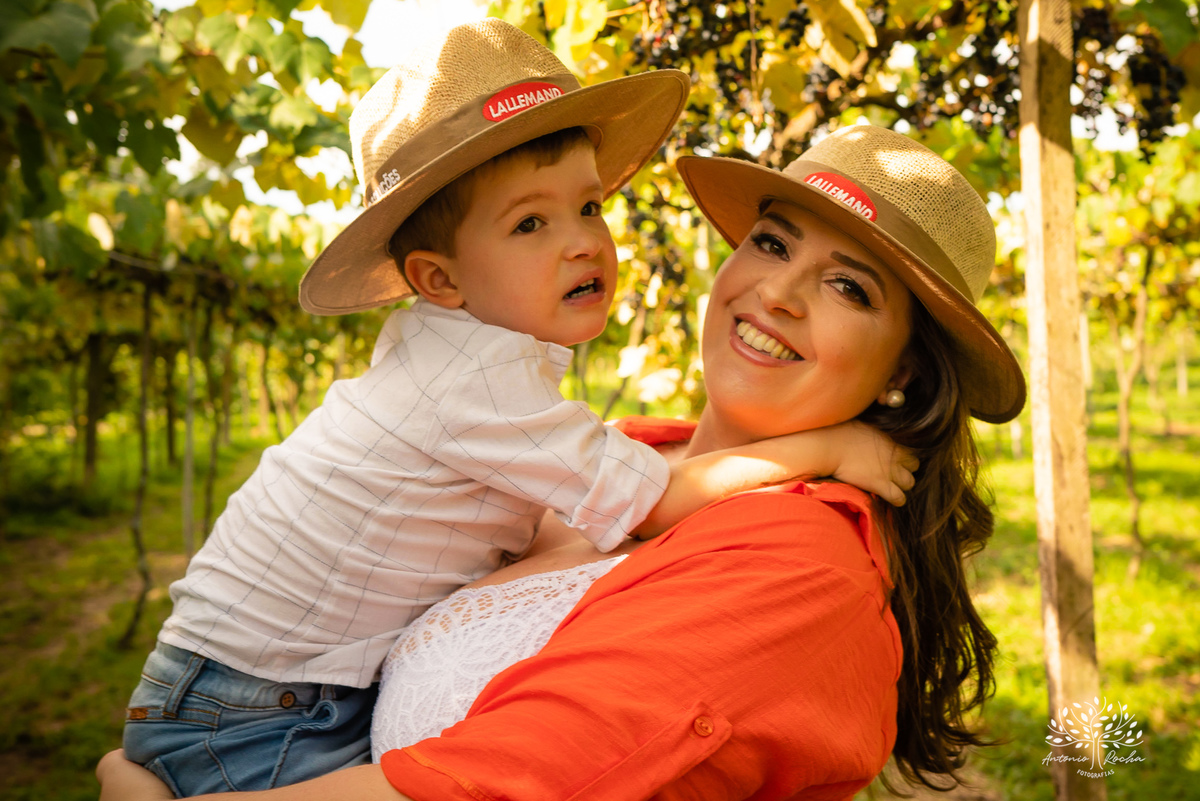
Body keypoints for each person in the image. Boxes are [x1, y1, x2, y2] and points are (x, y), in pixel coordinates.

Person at [101, 122, 1023, 800]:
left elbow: (509, 782)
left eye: (849, 286)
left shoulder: (798, 570)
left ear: (902, 371)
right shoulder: (629, 446)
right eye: (773, 242)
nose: (778, 291)